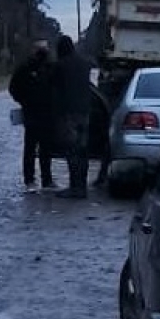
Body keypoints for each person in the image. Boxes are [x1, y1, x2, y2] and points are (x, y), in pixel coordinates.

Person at [9, 40, 56, 192]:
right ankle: (30, 180)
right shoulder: (26, 68)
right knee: (31, 148)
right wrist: (24, 101)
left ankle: (46, 180)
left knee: (44, 149)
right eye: (40, 48)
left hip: (46, 113)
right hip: (33, 113)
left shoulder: (50, 67)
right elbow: (13, 88)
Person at [51, 35, 93, 199]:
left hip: (69, 114)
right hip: (85, 112)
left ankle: (75, 187)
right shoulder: (85, 64)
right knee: (83, 151)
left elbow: (55, 92)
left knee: (72, 151)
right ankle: (82, 186)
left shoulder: (60, 66)